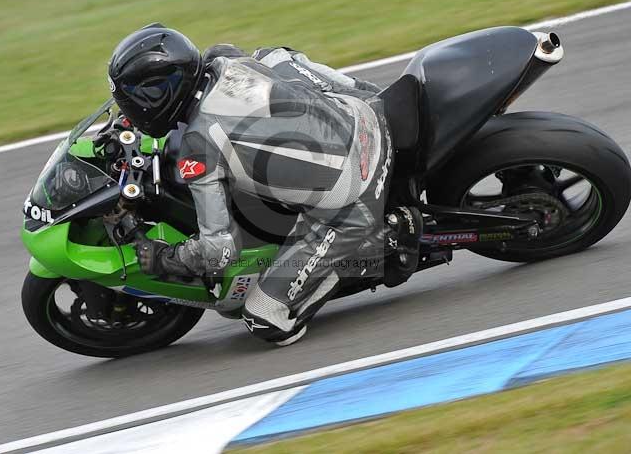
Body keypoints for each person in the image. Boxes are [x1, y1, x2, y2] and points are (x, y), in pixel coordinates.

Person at [108, 23, 421, 346]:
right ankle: (368, 93)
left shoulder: (199, 145)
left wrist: (164, 258)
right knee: (274, 57)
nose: (131, 108)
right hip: (364, 114)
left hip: (355, 194)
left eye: (134, 101)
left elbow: (220, 252)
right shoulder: (222, 59)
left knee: (264, 319)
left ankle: (382, 243)